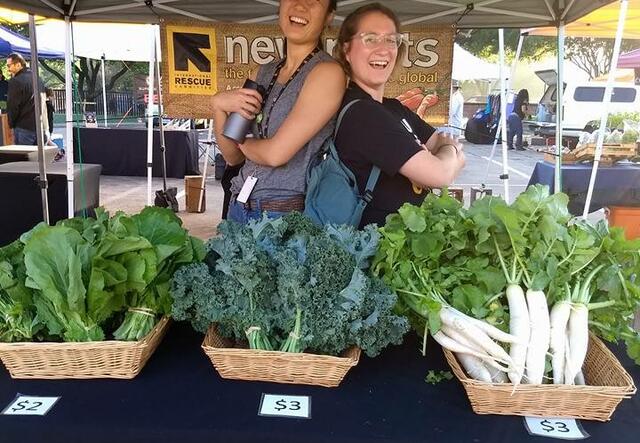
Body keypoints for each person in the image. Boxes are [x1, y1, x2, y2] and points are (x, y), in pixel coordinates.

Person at [211, 0, 346, 224]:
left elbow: (275, 154)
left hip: (284, 213)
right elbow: (232, 157)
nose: (301, 5)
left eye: (315, 1)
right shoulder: (262, 72)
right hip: (239, 203)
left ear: (329, 16)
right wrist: (217, 105)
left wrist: (238, 135)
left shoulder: (327, 73)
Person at [333, 3, 465, 228]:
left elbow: (450, 149)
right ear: (347, 50)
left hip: (404, 247)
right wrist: (448, 153)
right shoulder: (363, 113)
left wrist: (441, 155)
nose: (383, 49)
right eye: (370, 39)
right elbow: (441, 175)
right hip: (376, 251)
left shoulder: (393, 107)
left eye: (391, 40)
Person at [6, 53, 43, 145]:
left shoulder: (15, 81)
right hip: (40, 126)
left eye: (9, 65)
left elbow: (13, 106)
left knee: (23, 158)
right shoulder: (38, 78)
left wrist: (11, 123)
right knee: (39, 158)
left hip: (23, 127)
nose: (8, 69)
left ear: (18, 64)